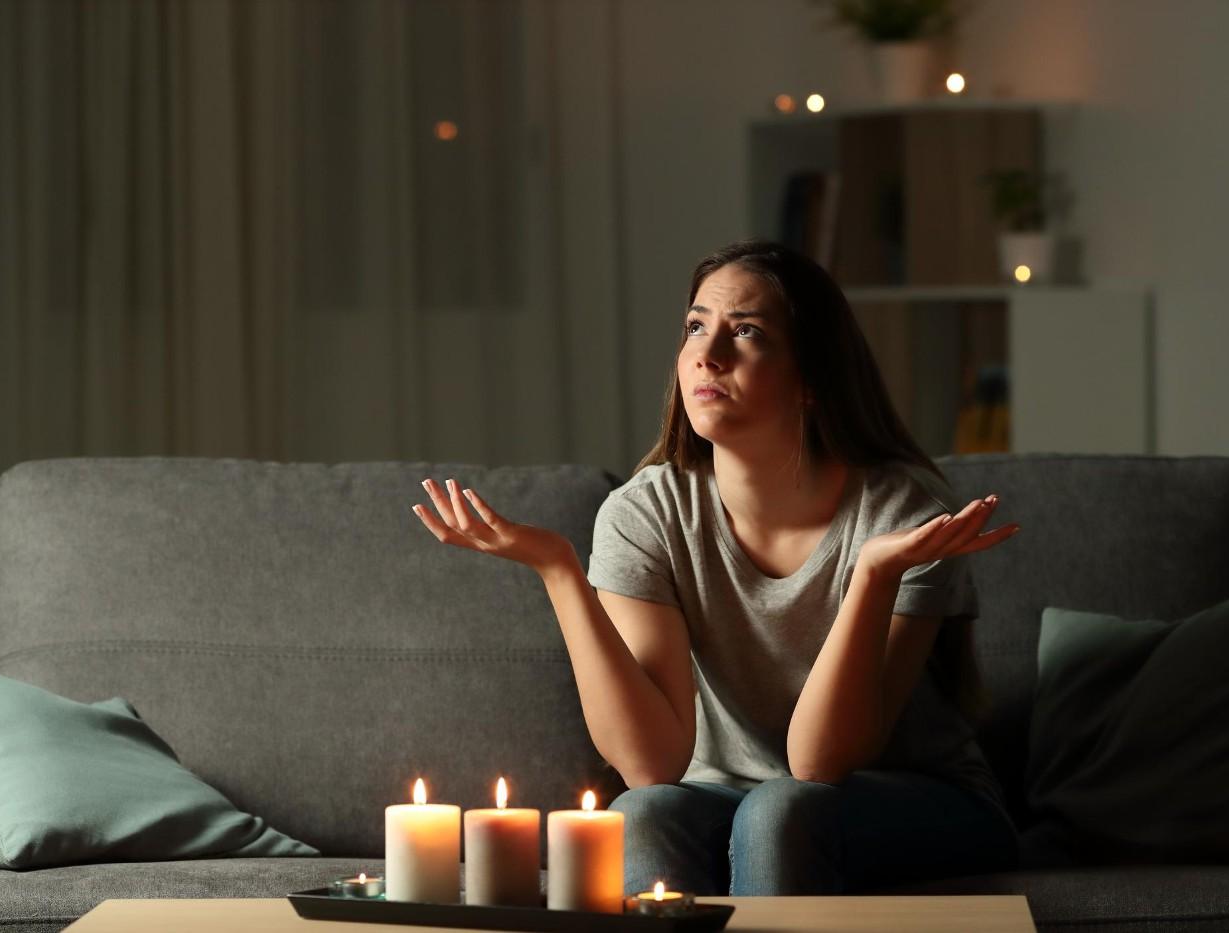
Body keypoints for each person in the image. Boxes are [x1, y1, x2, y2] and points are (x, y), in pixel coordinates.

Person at [412, 239, 1021, 896]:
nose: (708, 352)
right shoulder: (646, 513)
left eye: (748, 332)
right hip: (727, 797)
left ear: (812, 377)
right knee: (639, 815)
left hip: (918, 800)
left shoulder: (903, 515)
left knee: (781, 810)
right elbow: (652, 762)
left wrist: (872, 577)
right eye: (696, 325)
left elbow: (821, 761)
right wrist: (559, 569)